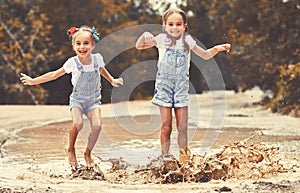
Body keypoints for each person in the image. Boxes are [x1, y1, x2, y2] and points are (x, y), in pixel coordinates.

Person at [135, 8, 230, 163]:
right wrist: (144, 35)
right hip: (164, 87)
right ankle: (165, 157)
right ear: (165, 26)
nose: (174, 27)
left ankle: (183, 157)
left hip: (181, 87)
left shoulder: (187, 41)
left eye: (178, 24)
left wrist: (217, 48)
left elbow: (205, 55)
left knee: (182, 127)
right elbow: (139, 46)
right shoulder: (160, 39)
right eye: (170, 24)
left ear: (185, 26)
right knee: (166, 126)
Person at [20, 25, 123, 168]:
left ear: (93, 45)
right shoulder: (72, 63)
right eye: (78, 43)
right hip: (78, 101)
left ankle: (87, 153)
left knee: (98, 126)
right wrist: (33, 81)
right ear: (73, 45)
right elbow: (54, 75)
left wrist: (112, 80)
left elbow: (102, 70)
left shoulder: (97, 59)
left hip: (94, 100)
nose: (82, 47)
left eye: (86, 43)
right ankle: (71, 149)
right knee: (78, 124)